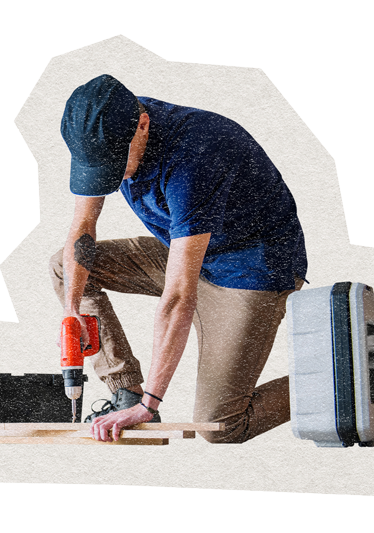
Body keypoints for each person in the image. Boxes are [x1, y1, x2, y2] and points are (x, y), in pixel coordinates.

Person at [50, 74, 307, 443]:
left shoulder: (196, 155)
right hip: (185, 248)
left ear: (142, 126)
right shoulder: (103, 125)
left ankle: (335, 377)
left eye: (115, 167)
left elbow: (178, 297)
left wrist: (150, 407)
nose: (111, 178)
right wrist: (72, 312)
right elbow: (83, 227)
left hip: (250, 270)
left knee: (222, 426)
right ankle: (126, 391)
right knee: (66, 266)